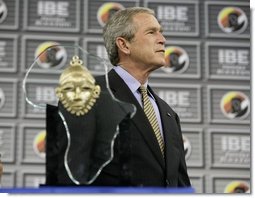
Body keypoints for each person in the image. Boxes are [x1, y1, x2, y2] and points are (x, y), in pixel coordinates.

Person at [92, 7, 191, 187]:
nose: (163, 40)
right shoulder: (90, 93)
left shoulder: (169, 114)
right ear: (124, 45)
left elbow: (179, 183)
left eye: (161, 32)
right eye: (151, 32)